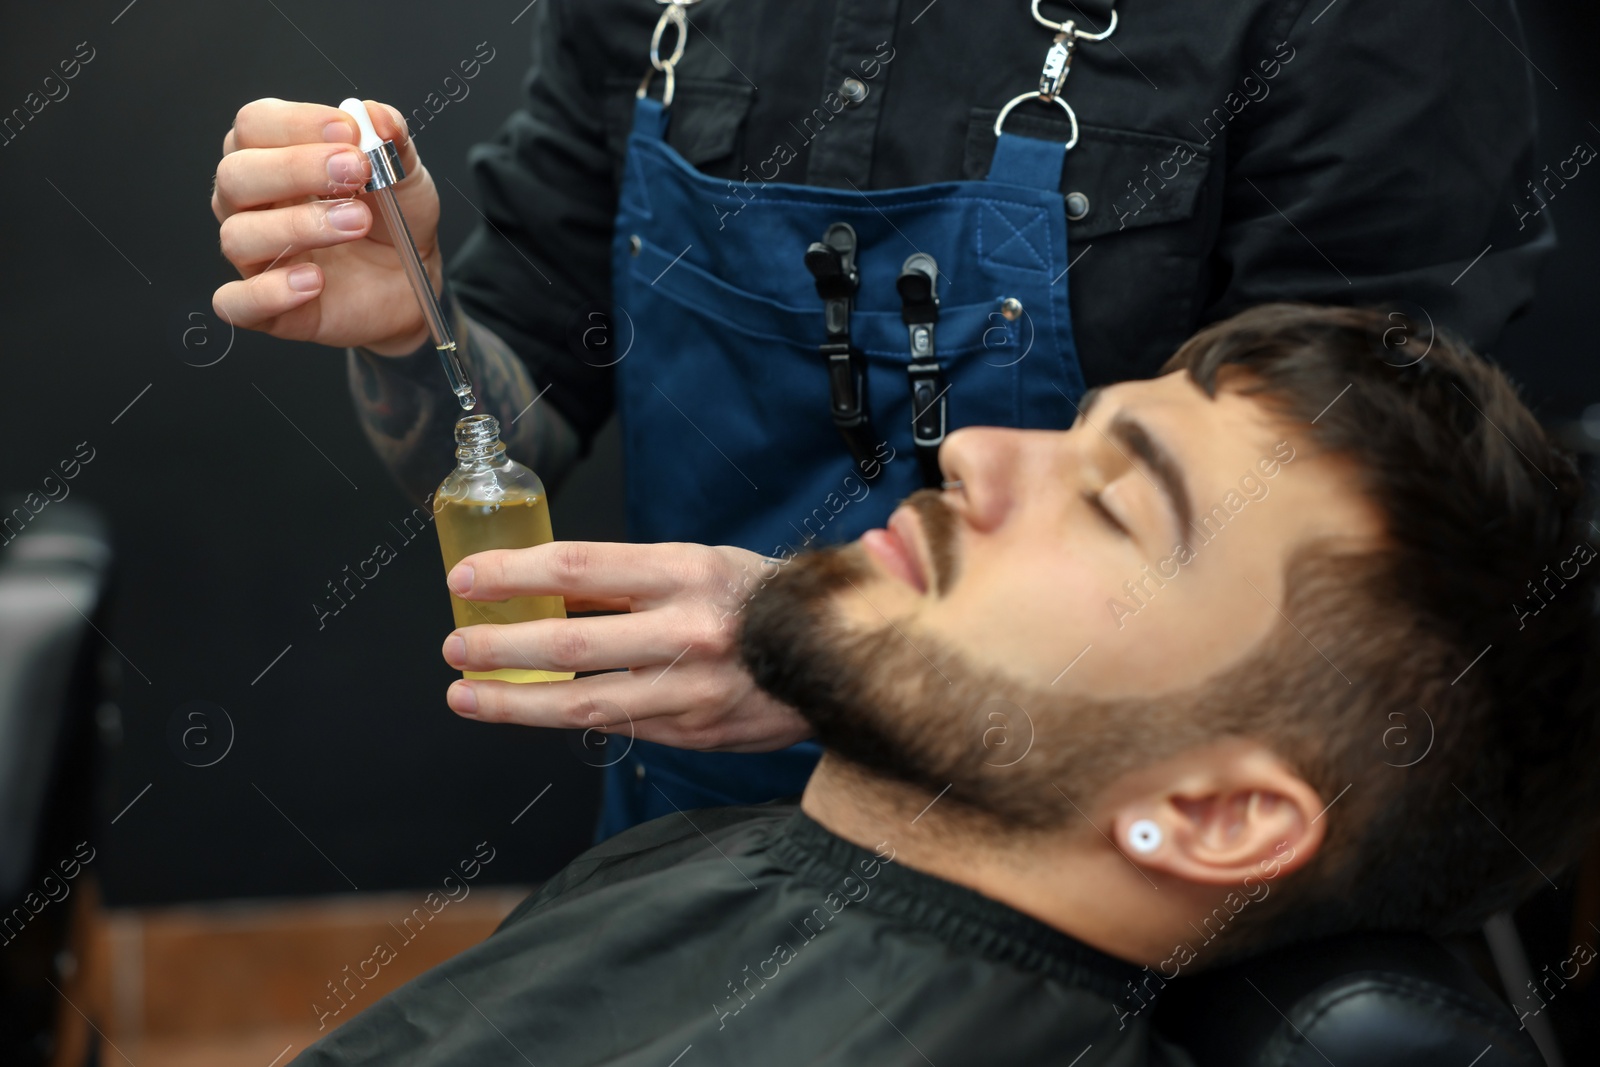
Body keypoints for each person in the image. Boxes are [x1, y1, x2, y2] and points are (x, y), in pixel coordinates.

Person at [210, 0, 1554, 835]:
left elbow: (1364, 629)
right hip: (686, 834)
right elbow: (515, 419)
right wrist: (412, 325)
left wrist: (846, 657)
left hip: (1076, 876)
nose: (980, 470)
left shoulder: (1370, 27)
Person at [290, 305, 1600, 1064]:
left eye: (1114, 508)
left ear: (1214, 816)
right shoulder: (716, 862)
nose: (974, 452)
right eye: (1074, 427)